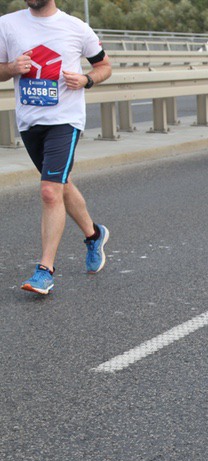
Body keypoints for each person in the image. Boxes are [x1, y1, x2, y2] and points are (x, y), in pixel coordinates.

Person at [0, 0, 112, 295]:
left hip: (65, 121)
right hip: (29, 122)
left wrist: (87, 79)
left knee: (50, 190)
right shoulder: (7, 25)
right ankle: (94, 234)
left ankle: (45, 270)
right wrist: (11, 68)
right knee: (60, 184)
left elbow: (104, 66)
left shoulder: (76, 28)